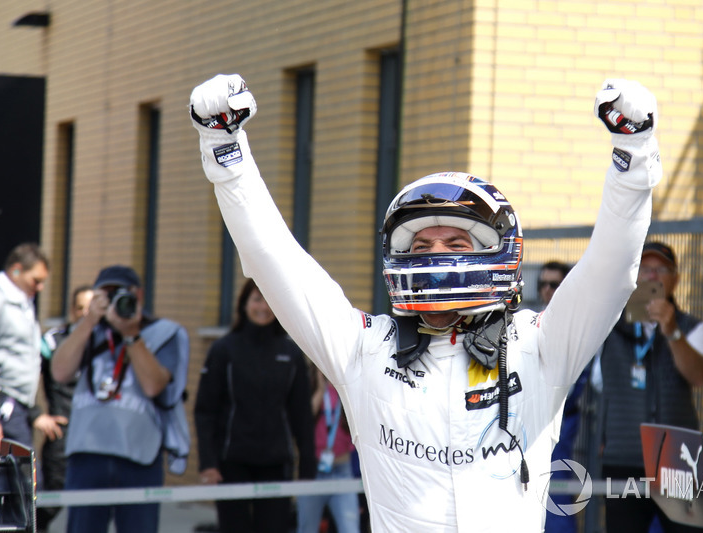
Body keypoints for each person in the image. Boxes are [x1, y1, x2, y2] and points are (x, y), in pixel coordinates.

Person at [190, 74, 662, 531]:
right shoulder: (364, 350)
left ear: (498, 253)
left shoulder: (539, 346)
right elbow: (274, 260)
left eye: (456, 245)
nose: (436, 259)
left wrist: (634, 156)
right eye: (420, 247)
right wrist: (225, 153)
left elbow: (611, 271)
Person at [51, 265, 190, 533]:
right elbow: (60, 372)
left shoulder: (164, 332)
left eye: (121, 293)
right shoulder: (87, 330)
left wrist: (131, 334)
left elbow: (154, 386)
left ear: (138, 294)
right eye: (107, 293)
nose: (115, 300)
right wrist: (88, 322)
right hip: (88, 452)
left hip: (139, 455)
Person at [597, 242, 703, 533]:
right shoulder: (609, 325)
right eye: (645, 269)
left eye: (660, 269)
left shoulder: (691, 326)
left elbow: (698, 376)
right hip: (624, 454)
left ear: (675, 279)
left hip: (678, 457)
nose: (652, 277)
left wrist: (672, 332)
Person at [194, 279, 316, 533]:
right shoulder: (223, 349)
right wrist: (208, 462)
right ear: (244, 304)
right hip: (232, 462)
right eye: (257, 299)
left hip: (276, 462)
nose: (263, 307)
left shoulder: (291, 353)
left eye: (269, 300)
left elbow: (301, 414)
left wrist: (307, 465)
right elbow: (205, 410)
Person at [0, 242, 56, 454]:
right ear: (16, 270)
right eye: (36, 280)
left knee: (22, 480)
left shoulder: (22, 303)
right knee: (16, 481)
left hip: (16, 409)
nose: (39, 288)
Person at [36, 284, 94, 532]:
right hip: (62, 434)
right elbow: (24, 378)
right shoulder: (52, 341)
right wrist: (36, 415)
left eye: (90, 308)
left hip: (98, 437)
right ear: (72, 310)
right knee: (51, 502)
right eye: (80, 308)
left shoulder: (110, 343)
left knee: (91, 507)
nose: (84, 313)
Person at [537, 261, 587, 533]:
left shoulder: (580, 327)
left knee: (556, 497)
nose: (547, 290)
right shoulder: (531, 321)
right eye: (542, 284)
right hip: (532, 424)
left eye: (554, 284)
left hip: (566, 425)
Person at [296, 367, 361, 533]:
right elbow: (304, 421)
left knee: (350, 527)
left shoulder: (346, 392)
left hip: (342, 470)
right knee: (307, 527)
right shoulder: (312, 389)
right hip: (314, 472)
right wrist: (320, 388)